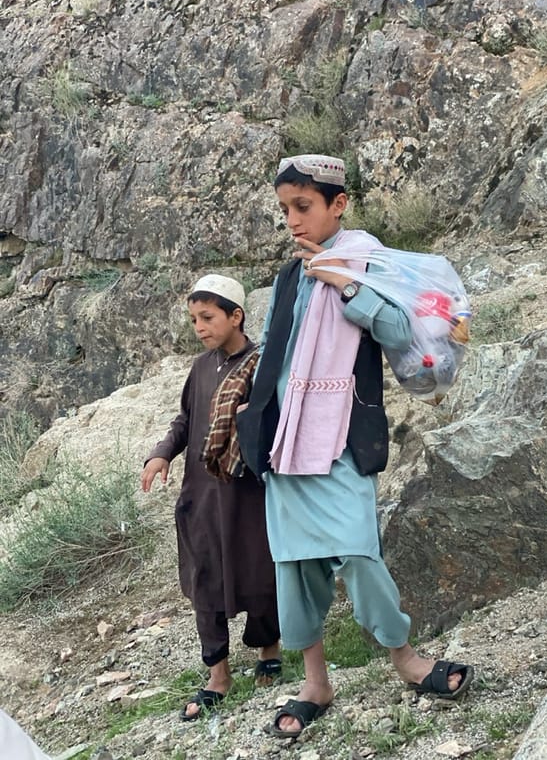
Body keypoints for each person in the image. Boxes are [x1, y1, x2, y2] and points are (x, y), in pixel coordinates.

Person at [236, 155, 474, 738]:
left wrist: (345, 283)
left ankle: (404, 659)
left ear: (338, 205)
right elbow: (274, 349)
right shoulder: (289, 274)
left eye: (304, 207)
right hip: (284, 440)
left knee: (360, 556)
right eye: (286, 210)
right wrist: (249, 416)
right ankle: (315, 682)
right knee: (295, 567)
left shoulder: (367, 261)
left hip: (340, 438)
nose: (293, 221)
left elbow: (398, 332)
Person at [141, 274, 281, 721]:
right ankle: (218, 674)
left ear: (235, 316)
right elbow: (185, 420)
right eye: (194, 319)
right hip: (200, 494)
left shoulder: (263, 364)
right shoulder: (201, 368)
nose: (199, 327)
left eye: (208, 317)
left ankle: (268, 650)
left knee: (258, 572)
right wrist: (162, 453)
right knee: (205, 578)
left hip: (246, 492)